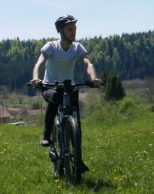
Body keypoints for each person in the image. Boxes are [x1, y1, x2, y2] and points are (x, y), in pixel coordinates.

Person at [30, 15, 102, 147]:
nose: (73, 31)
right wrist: (36, 78)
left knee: (75, 117)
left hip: (69, 86)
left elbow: (87, 63)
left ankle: (77, 157)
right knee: (55, 97)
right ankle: (46, 133)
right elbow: (39, 63)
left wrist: (93, 78)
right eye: (70, 29)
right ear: (61, 31)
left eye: (74, 28)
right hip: (50, 86)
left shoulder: (77, 47)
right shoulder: (51, 46)